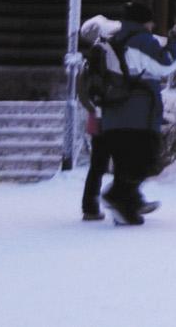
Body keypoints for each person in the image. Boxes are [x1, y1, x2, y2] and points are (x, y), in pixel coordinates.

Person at [99, 1, 176, 226]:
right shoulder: (141, 40)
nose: (153, 24)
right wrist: (175, 43)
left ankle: (130, 204)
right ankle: (118, 197)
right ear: (143, 21)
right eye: (150, 20)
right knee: (144, 160)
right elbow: (165, 65)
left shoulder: (116, 39)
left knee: (125, 162)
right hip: (137, 115)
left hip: (114, 114)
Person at [75, 15, 121, 221]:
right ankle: (122, 201)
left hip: (98, 117)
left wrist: (93, 109)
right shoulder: (108, 56)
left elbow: (83, 92)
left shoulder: (90, 61)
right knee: (121, 161)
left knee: (98, 165)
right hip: (112, 116)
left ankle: (90, 205)